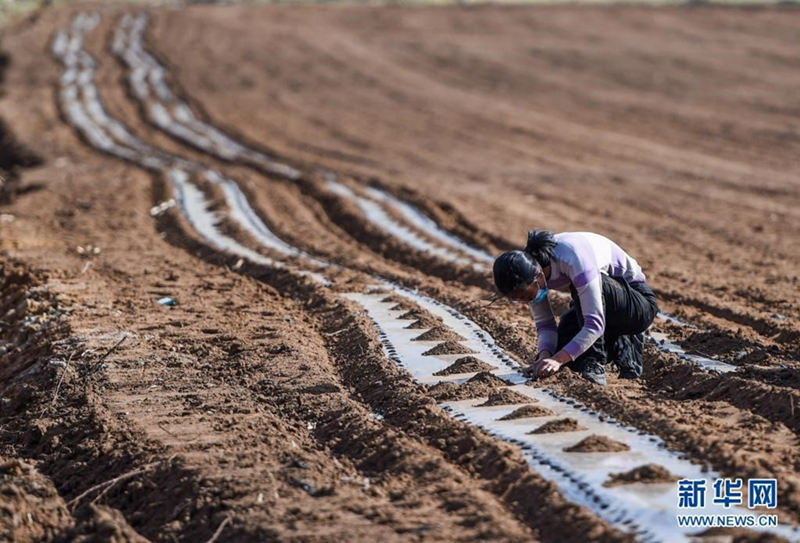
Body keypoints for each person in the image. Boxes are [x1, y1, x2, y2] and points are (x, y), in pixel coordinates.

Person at [492, 230, 659, 385]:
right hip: (610, 306)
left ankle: (595, 361)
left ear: (538, 277)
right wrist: (544, 357)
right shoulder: (533, 272)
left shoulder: (574, 259)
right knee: (564, 348)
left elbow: (594, 324)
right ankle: (620, 341)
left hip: (639, 305)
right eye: (517, 299)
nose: (526, 300)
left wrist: (557, 360)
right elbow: (545, 325)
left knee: (582, 293)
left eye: (525, 295)